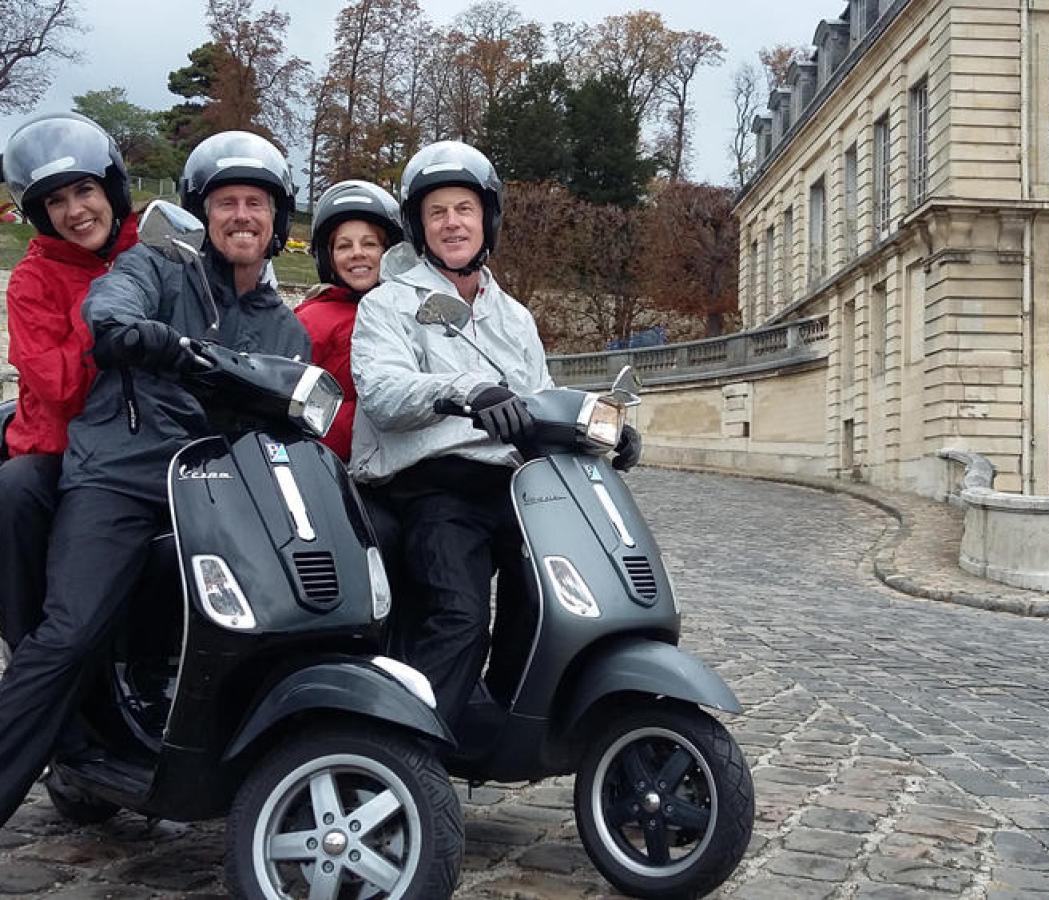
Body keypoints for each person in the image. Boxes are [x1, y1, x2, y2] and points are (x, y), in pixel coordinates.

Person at [0, 130, 311, 824]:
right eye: (225, 202)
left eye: (255, 203)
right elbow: (110, 308)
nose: (240, 216)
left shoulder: (285, 329)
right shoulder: (158, 266)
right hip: (122, 471)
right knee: (69, 631)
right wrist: (126, 330)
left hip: (214, 489)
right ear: (202, 213)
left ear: (276, 219)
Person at [350, 140, 641, 733]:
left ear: (488, 219)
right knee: (458, 616)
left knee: (559, 596)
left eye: (464, 208)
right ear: (419, 226)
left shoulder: (514, 316)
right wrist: (466, 391)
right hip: (430, 487)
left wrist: (603, 433)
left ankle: (507, 720)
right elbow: (382, 391)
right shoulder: (388, 305)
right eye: (437, 212)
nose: (452, 222)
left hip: (514, 489)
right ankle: (400, 749)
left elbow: (542, 396)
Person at [0, 112, 139, 655]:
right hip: (59, 450)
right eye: (56, 201)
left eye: (84, 190)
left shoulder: (150, 254)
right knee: (13, 492)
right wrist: (107, 297)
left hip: (143, 445)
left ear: (110, 188)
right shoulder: (32, 280)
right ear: (40, 213)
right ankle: (27, 644)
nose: (76, 211)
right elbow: (60, 388)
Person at [295, 180, 404, 462]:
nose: (357, 252)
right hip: (331, 463)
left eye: (369, 243)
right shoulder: (313, 319)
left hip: (403, 463)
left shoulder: (407, 312)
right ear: (327, 257)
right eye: (344, 246)